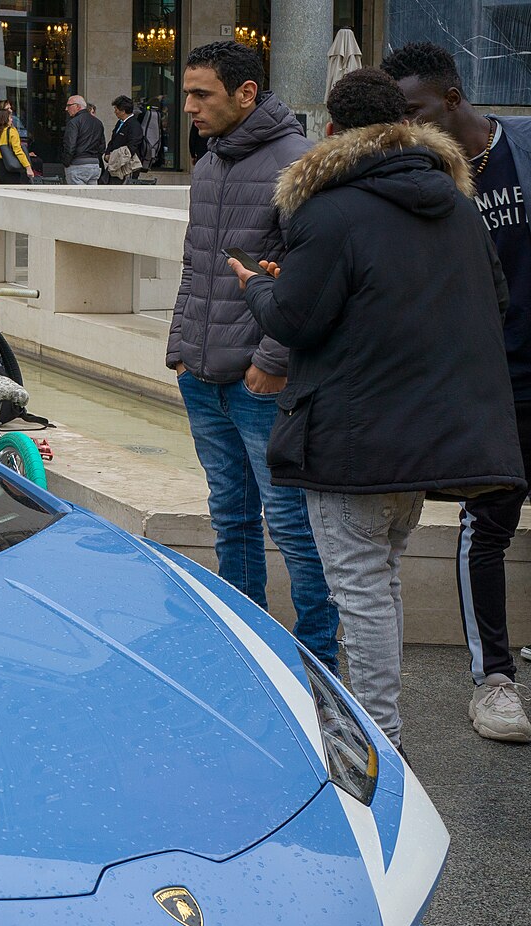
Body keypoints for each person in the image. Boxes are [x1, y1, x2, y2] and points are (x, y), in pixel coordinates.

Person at [232, 67, 524, 751]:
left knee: (358, 591)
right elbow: (495, 298)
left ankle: (377, 744)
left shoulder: (326, 209)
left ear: (330, 130)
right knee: (382, 578)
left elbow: (298, 322)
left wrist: (257, 291)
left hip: (353, 439)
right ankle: (381, 729)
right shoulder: (454, 203)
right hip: (426, 440)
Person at [167, 41, 338, 667]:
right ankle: (247, 653)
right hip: (203, 374)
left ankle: (319, 661)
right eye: (186, 93)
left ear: (246, 93)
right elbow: (195, 264)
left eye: (201, 94)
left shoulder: (298, 162)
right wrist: (180, 348)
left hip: (259, 383)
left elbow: (311, 275)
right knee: (230, 518)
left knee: (292, 526)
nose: (189, 106)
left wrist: (271, 359)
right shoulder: (209, 164)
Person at [384, 40, 531, 741]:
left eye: (413, 110)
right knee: (487, 525)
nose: (406, 126)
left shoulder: (523, 146)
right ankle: (493, 680)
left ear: (452, 98)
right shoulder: (423, 174)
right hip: (487, 382)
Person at [0, 100, 35, 184]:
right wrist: (28, 167)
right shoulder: (11, 131)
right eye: (10, 117)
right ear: (4, 118)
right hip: (8, 167)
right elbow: (18, 151)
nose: (12, 120)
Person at [62, 93, 105, 183]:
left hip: (77, 165)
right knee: (91, 197)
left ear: (77, 106)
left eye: (68, 106)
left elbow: (70, 146)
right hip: (94, 166)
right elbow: (102, 147)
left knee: (76, 196)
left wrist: (66, 163)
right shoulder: (98, 122)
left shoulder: (74, 122)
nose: (66, 109)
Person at [104, 96, 144, 183]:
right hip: (115, 164)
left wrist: (114, 156)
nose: (115, 112)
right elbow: (113, 140)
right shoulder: (120, 122)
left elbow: (132, 147)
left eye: (116, 109)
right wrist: (107, 153)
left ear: (123, 111)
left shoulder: (134, 125)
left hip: (126, 166)